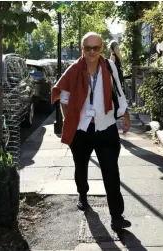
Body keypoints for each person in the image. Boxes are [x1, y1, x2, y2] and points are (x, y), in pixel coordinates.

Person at [51, 32, 132, 230]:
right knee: (81, 167)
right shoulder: (74, 70)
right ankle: (83, 194)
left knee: (111, 171)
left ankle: (116, 216)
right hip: (82, 130)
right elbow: (64, 99)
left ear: (102, 48)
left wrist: (125, 114)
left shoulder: (110, 66)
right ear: (82, 49)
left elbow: (119, 92)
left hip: (106, 127)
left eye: (96, 48)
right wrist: (69, 123)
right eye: (88, 48)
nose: (92, 52)